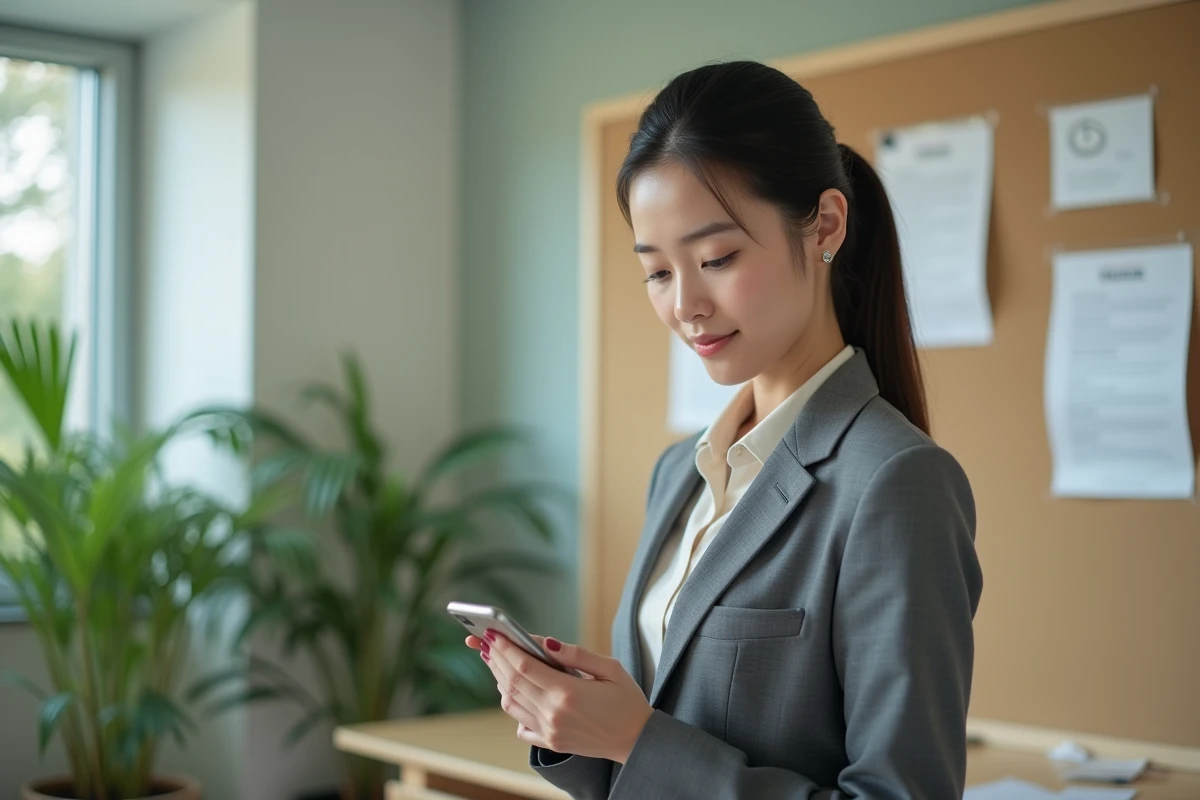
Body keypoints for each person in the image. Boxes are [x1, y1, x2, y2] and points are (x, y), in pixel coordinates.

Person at [464, 59, 983, 799]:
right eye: (658, 272)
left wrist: (633, 736)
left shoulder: (895, 481)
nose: (686, 305)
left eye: (717, 258)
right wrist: (575, 725)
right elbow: (647, 763)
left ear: (825, 226)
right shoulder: (680, 473)